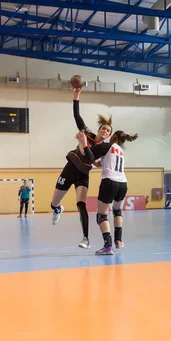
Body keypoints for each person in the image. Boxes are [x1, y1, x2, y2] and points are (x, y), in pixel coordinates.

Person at [51, 88, 113, 250]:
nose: (105, 131)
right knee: (54, 202)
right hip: (69, 169)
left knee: (81, 204)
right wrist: (76, 96)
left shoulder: (103, 147)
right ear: (99, 129)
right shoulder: (87, 134)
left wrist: (84, 146)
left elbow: (91, 159)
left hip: (83, 174)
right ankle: (58, 209)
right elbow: (77, 117)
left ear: (108, 135)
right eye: (104, 128)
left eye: (108, 131)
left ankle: (86, 238)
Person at [82, 129, 138, 255]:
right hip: (123, 183)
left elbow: (89, 155)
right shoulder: (120, 151)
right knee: (117, 211)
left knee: (101, 215)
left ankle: (108, 245)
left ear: (114, 136)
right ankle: (118, 240)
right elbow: (101, 163)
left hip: (109, 181)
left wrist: (83, 143)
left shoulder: (107, 146)